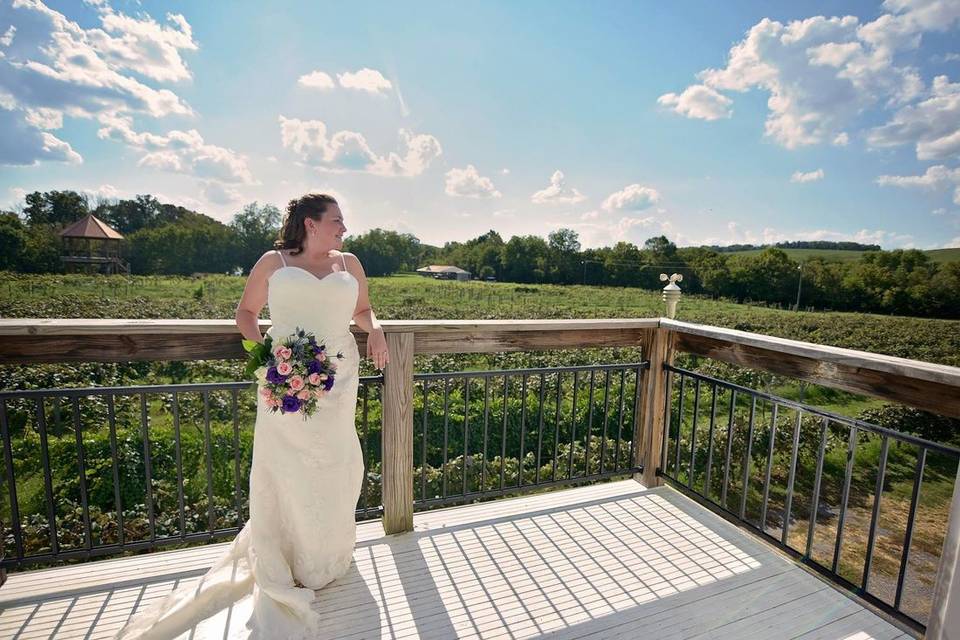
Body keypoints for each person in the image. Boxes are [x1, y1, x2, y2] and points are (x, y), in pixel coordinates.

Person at [114, 193, 390, 639]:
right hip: (283, 379)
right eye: (337, 220)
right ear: (310, 223)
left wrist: (376, 329)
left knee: (338, 464)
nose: (344, 227)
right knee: (286, 467)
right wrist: (265, 357)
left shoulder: (349, 263)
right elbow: (246, 312)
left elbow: (361, 310)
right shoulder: (273, 262)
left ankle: (326, 555)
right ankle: (287, 556)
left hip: (339, 379)